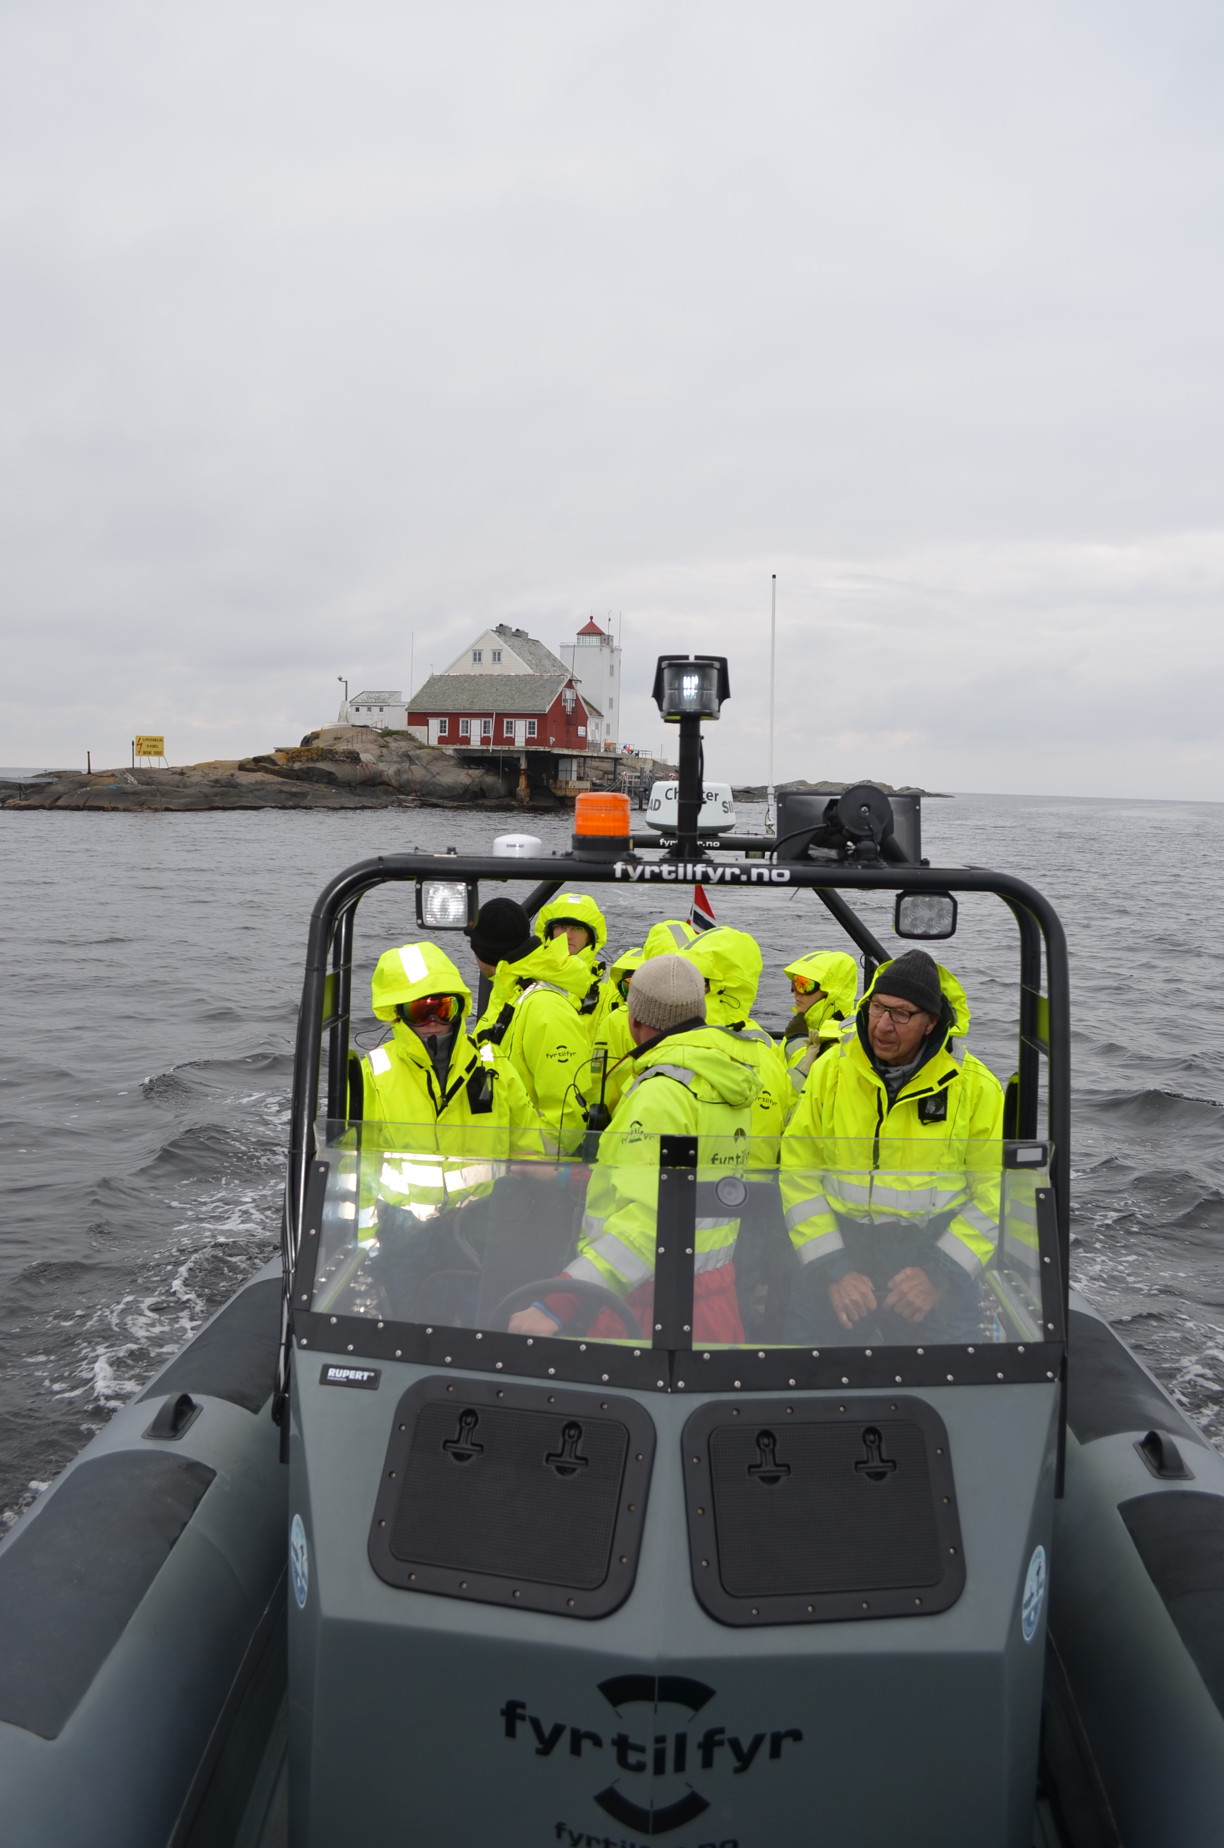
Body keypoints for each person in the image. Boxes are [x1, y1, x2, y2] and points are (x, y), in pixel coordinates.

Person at [508, 954, 761, 1344]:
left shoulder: (659, 1093)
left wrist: (558, 1303)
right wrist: (561, 1176)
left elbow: (649, 1223)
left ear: (635, 1021)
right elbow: (665, 1187)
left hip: (652, 1303)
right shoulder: (721, 1079)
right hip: (716, 1298)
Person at [781, 948, 1003, 1343]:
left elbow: (997, 1192)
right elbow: (797, 1172)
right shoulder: (830, 1072)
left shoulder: (976, 1087)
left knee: (955, 1380)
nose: (883, 1025)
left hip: (934, 1251)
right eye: (878, 1008)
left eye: (901, 1014)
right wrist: (834, 1269)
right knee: (805, 1377)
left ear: (932, 1022)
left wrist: (938, 1274)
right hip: (841, 1243)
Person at [347, 942, 549, 1314]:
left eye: (443, 1008)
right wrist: (362, 1251)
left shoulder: (495, 1068)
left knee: (480, 1324)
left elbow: (528, 1147)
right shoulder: (369, 1076)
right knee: (408, 1326)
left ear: (459, 1008)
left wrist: (520, 1223)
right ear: (397, 1015)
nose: (433, 1022)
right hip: (401, 1237)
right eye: (419, 1011)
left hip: (483, 1230)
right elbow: (356, 1172)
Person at [468, 897, 593, 1152]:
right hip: (499, 1155)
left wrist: (525, 1162)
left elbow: (566, 1118)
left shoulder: (545, 1008)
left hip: (530, 1174)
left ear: (481, 952)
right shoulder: (508, 990)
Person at [780, 950, 859, 1093]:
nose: (796, 991)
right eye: (795, 983)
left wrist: (795, 1042)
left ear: (830, 992)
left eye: (804, 985)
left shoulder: (844, 1036)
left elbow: (798, 1092)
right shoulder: (804, 1025)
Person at [535, 891, 609, 1024]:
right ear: (550, 933)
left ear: (590, 937)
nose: (567, 935)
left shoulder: (610, 984)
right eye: (561, 927)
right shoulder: (525, 975)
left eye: (577, 928)